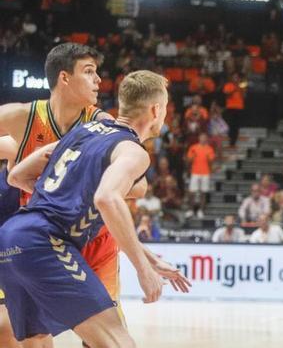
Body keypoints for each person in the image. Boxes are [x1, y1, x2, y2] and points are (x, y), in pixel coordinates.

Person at [0, 70, 190, 347]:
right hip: (44, 241)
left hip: (9, 239)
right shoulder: (132, 150)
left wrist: (149, 258)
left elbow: (17, 176)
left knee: (37, 342)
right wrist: (143, 270)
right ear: (156, 110)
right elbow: (107, 199)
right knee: (118, 342)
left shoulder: (81, 131)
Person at [0, 43, 124, 347]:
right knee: (25, 335)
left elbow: (139, 185)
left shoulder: (102, 123)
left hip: (92, 239)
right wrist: (15, 156)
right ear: (64, 78)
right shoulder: (22, 117)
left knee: (106, 337)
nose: (99, 80)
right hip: (40, 240)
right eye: (89, 72)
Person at [185, 132, 215, 219]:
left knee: (203, 193)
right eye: (201, 137)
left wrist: (209, 160)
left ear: (206, 139)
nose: (203, 139)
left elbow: (211, 161)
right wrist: (191, 158)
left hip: (205, 173)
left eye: (204, 138)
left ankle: (200, 211)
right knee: (192, 192)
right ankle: (191, 210)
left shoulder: (209, 149)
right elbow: (189, 160)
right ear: (199, 138)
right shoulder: (193, 148)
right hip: (195, 172)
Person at [222, 72, 246, 147]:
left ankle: (234, 140)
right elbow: (227, 95)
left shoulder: (242, 85)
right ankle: (230, 139)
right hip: (230, 107)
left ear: (239, 78)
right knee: (231, 124)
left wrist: (241, 89)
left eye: (237, 77)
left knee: (236, 125)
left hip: (239, 107)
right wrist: (234, 89)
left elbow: (244, 96)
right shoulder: (228, 85)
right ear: (232, 78)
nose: (235, 78)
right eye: (234, 77)